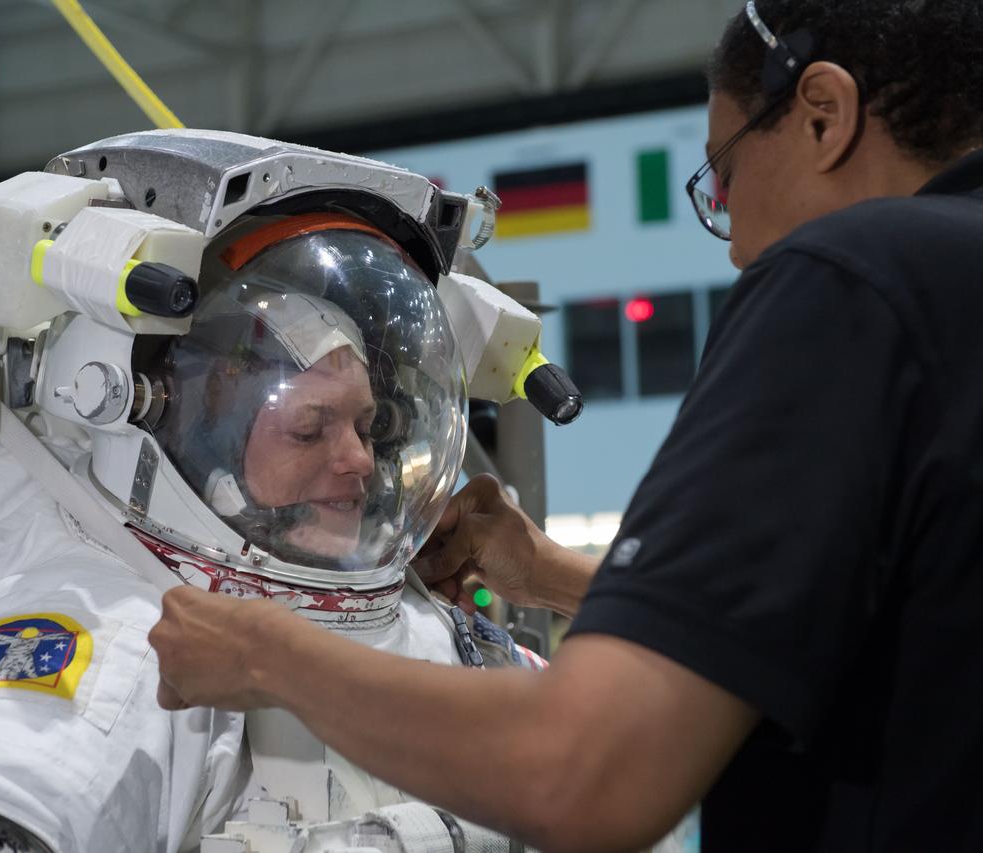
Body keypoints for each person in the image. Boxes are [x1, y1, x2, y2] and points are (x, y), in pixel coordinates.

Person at [148, 1, 983, 850]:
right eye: (307, 427)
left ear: (822, 116)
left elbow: (587, 771)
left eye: (722, 178)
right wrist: (553, 576)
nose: (732, 244)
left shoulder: (853, 282)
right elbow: (884, 656)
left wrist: (264, 655)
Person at [0, 199, 541, 852]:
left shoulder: (428, 632)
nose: (356, 460)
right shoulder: (130, 640)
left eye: (367, 427)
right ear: (200, 443)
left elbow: (625, 740)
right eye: (310, 430)